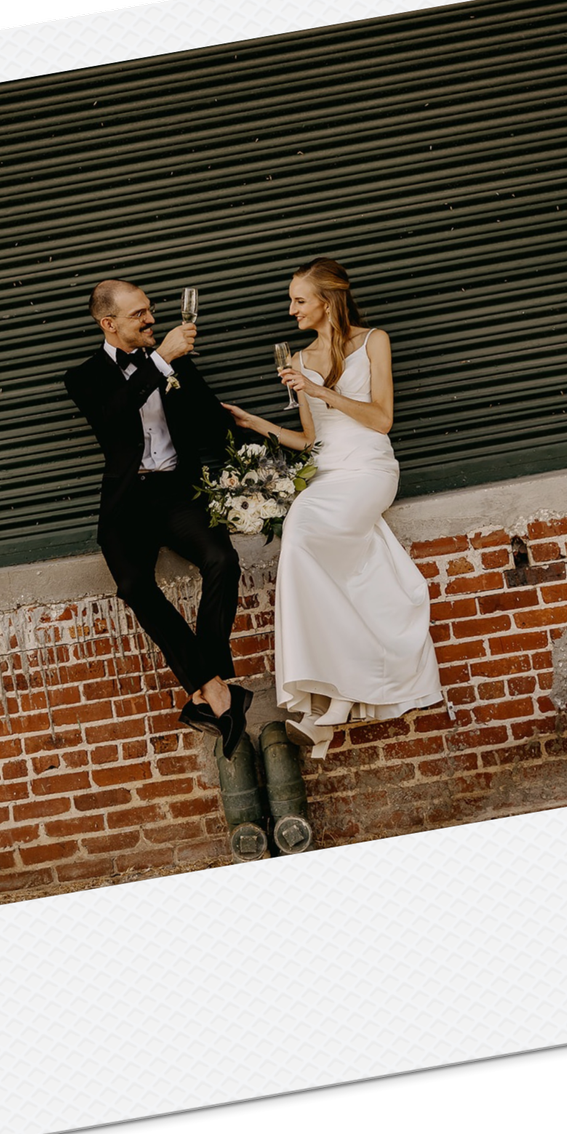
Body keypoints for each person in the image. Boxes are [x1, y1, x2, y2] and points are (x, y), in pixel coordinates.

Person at [223, 256, 445, 759]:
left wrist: (321, 390)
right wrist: (257, 425)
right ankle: (331, 695)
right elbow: (310, 440)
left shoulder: (373, 342)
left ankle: (333, 696)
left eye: (299, 300)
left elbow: (382, 418)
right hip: (326, 478)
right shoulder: (298, 361)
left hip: (368, 472)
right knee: (300, 549)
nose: (291, 309)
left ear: (328, 301)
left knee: (307, 543)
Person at [64, 279, 254, 755]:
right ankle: (218, 690)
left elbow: (210, 420)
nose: (151, 319)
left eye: (151, 310)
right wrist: (161, 362)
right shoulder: (84, 376)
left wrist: (251, 429)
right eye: (138, 315)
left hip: (177, 493)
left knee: (222, 561)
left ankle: (207, 685)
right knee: (132, 586)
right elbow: (112, 416)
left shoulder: (175, 362)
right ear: (108, 325)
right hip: (128, 501)